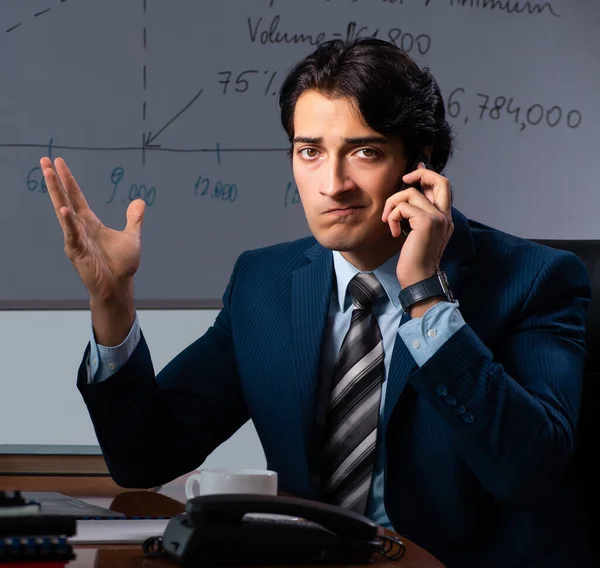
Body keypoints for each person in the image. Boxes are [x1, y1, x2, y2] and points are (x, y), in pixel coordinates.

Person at [42, 38, 593, 567]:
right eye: (310, 152)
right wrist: (112, 301)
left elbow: (527, 473)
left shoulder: (534, 279)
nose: (333, 183)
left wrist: (425, 295)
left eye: (364, 152)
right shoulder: (264, 282)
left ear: (421, 164)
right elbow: (145, 458)